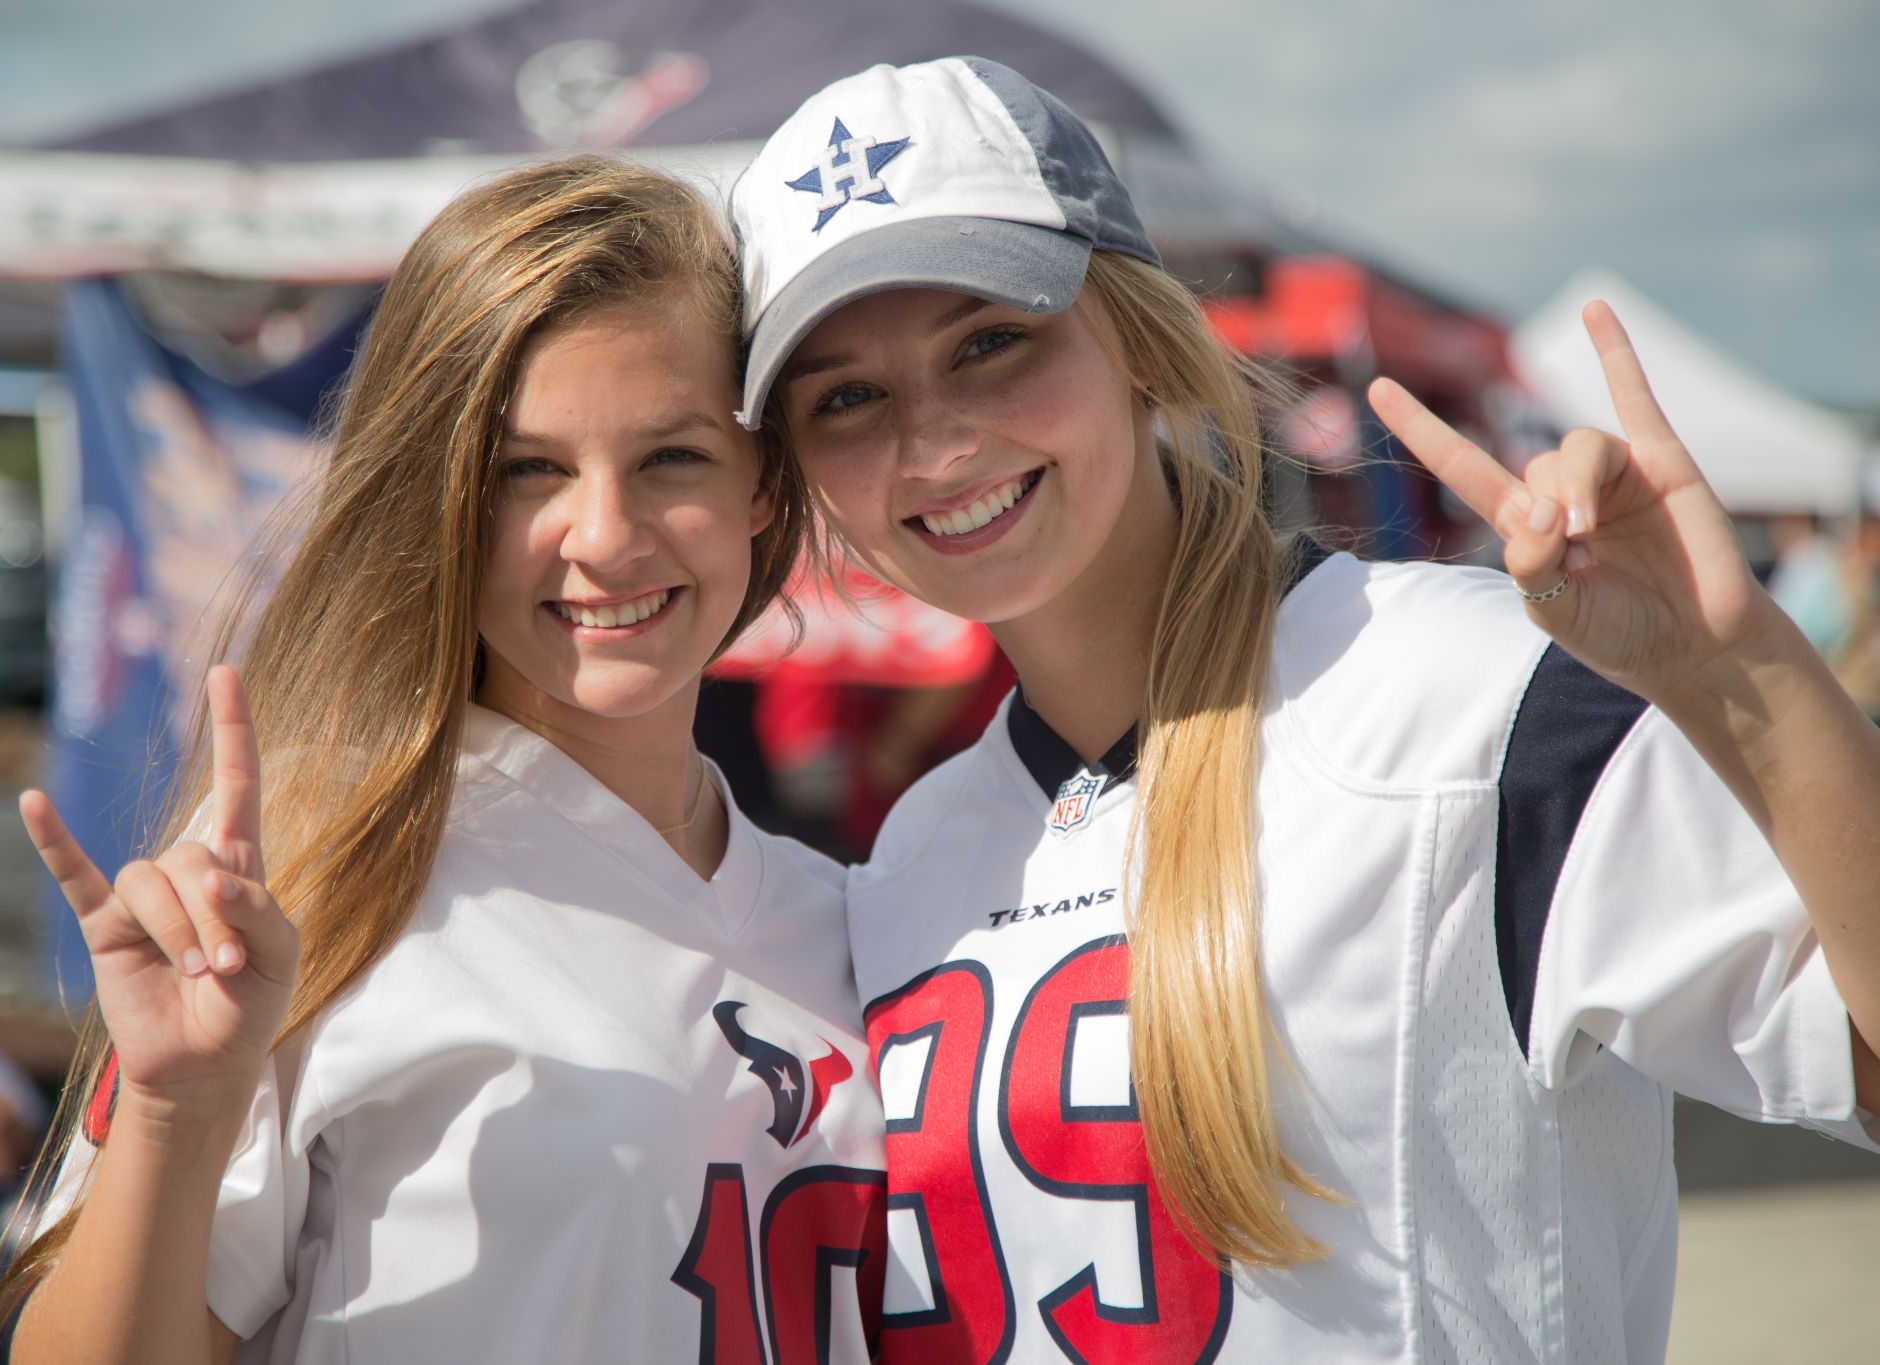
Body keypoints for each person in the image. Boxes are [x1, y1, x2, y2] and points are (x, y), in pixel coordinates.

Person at [727, 57, 1880, 1363]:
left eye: (992, 341)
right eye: (846, 399)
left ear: (1142, 343)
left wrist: (1756, 686)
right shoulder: (907, 860)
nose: (934, 443)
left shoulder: (1465, 698)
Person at [0, 158, 885, 1365]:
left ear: (762, 481)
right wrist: (174, 1110)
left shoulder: (852, 918)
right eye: (528, 470)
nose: (605, 537)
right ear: (438, 495)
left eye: (672, 458)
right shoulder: (319, 871)